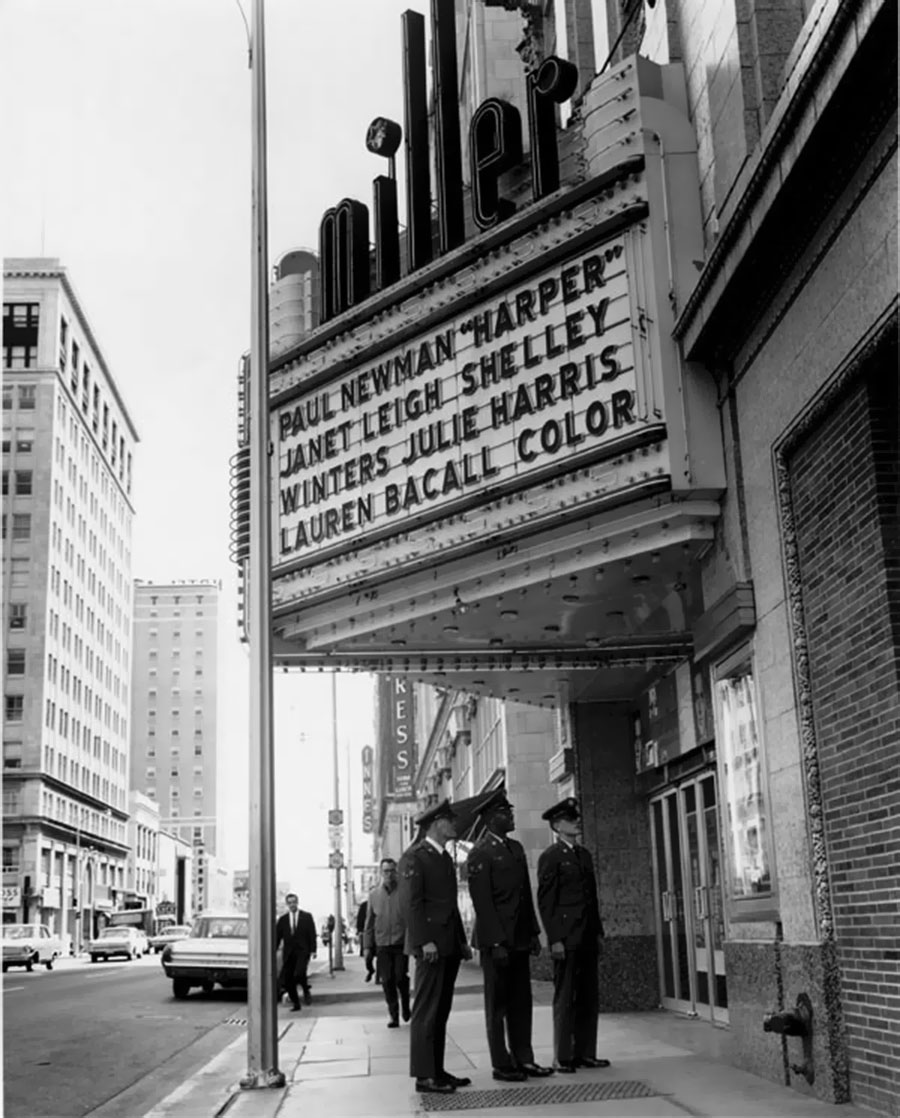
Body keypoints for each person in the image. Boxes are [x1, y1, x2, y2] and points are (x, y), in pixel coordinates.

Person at [467, 789, 554, 1082]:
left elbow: (524, 896)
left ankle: (524, 1058)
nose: (512, 816)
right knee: (497, 1005)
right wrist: (494, 942)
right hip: (498, 942)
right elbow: (483, 902)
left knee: (521, 1001)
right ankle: (501, 1063)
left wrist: (533, 933)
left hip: (518, 937)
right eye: (506, 813)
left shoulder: (515, 849)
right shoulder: (480, 853)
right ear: (492, 819)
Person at [399, 798, 473, 1095]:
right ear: (436, 824)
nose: (454, 825)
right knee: (427, 1011)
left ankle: (437, 1070)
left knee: (441, 1010)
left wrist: (462, 941)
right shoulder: (414, 857)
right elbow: (411, 904)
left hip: (448, 944)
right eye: (449, 820)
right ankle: (424, 1076)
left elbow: (450, 905)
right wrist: (424, 940)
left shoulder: (442, 857)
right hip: (430, 946)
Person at [537, 797, 610, 1072]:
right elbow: (546, 901)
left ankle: (586, 1052)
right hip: (566, 937)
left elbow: (592, 898)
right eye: (570, 819)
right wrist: (554, 938)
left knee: (589, 996)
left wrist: (599, 932)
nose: (577, 821)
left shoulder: (584, 855)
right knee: (565, 997)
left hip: (587, 934)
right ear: (557, 826)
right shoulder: (551, 857)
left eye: (576, 817)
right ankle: (563, 1056)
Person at [363, 857, 410, 1027]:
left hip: (400, 943)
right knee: (387, 980)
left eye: (392, 870)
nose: (389, 874)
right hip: (382, 944)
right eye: (386, 871)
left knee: (400, 977)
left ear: (396, 872)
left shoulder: (405, 891)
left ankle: (405, 1003)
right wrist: (367, 947)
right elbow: (368, 924)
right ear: (381, 873)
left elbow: (411, 917)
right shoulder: (374, 895)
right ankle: (393, 1014)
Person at [275, 892, 317, 1010]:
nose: (292, 905)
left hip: (303, 951)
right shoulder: (283, 920)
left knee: (299, 973)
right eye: (290, 903)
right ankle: (296, 1003)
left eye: (294, 902)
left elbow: (312, 934)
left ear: (297, 903)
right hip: (289, 954)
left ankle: (305, 990)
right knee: (287, 980)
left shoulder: (306, 917)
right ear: (287, 904)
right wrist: (273, 951)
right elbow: (277, 937)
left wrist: (313, 950)